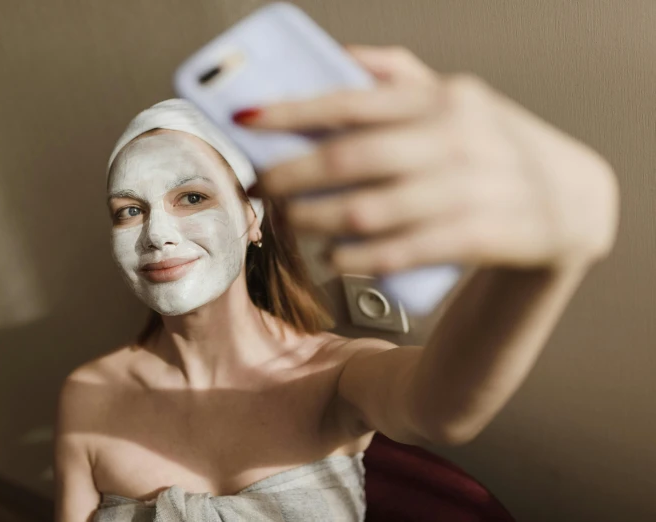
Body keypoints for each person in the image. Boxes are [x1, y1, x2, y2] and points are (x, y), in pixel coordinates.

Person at [54, 46, 619, 522]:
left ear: (253, 218)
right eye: (128, 211)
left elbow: (443, 411)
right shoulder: (89, 395)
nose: (156, 234)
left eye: (192, 198)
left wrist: (545, 260)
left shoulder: (331, 375)